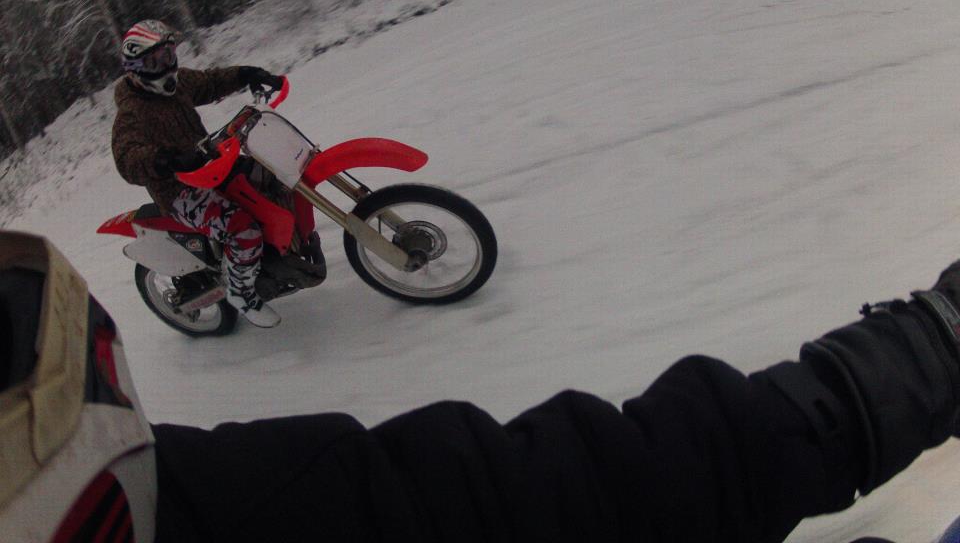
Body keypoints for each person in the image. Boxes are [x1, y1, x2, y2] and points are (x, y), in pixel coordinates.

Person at [3, 231, 960, 543]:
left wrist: (914, 360)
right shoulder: (136, 117)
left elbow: (511, 504)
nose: (159, 64)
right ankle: (243, 290)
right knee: (234, 230)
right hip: (185, 195)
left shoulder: (205, 510)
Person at [111, 20, 287, 329]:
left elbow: (210, 82)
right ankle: (241, 292)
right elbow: (127, 159)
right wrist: (165, 160)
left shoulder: (178, 84)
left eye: (168, 55)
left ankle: (277, 256)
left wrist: (247, 74)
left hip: (210, 167)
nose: (166, 66)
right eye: (155, 61)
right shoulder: (131, 113)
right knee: (243, 230)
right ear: (137, 69)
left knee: (271, 177)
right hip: (178, 191)